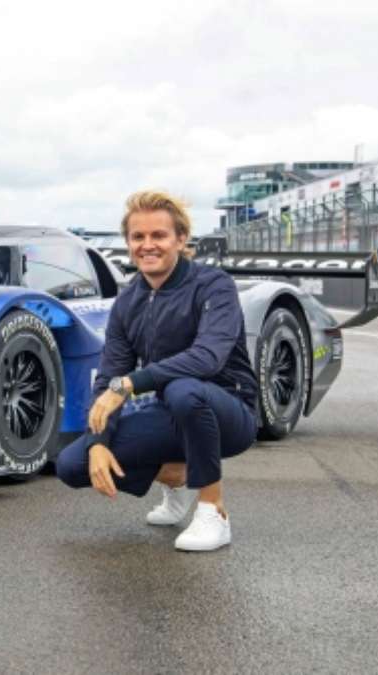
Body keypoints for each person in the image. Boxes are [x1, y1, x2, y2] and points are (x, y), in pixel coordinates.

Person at [55, 190, 258, 552]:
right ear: (129, 242)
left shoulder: (214, 285)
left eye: (159, 236)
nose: (148, 245)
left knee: (183, 389)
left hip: (230, 410)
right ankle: (177, 478)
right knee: (73, 464)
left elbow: (207, 357)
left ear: (181, 239)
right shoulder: (127, 302)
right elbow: (108, 379)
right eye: (138, 237)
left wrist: (131, 383)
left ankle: (214, 512)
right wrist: (99, 442)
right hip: (172, 412)